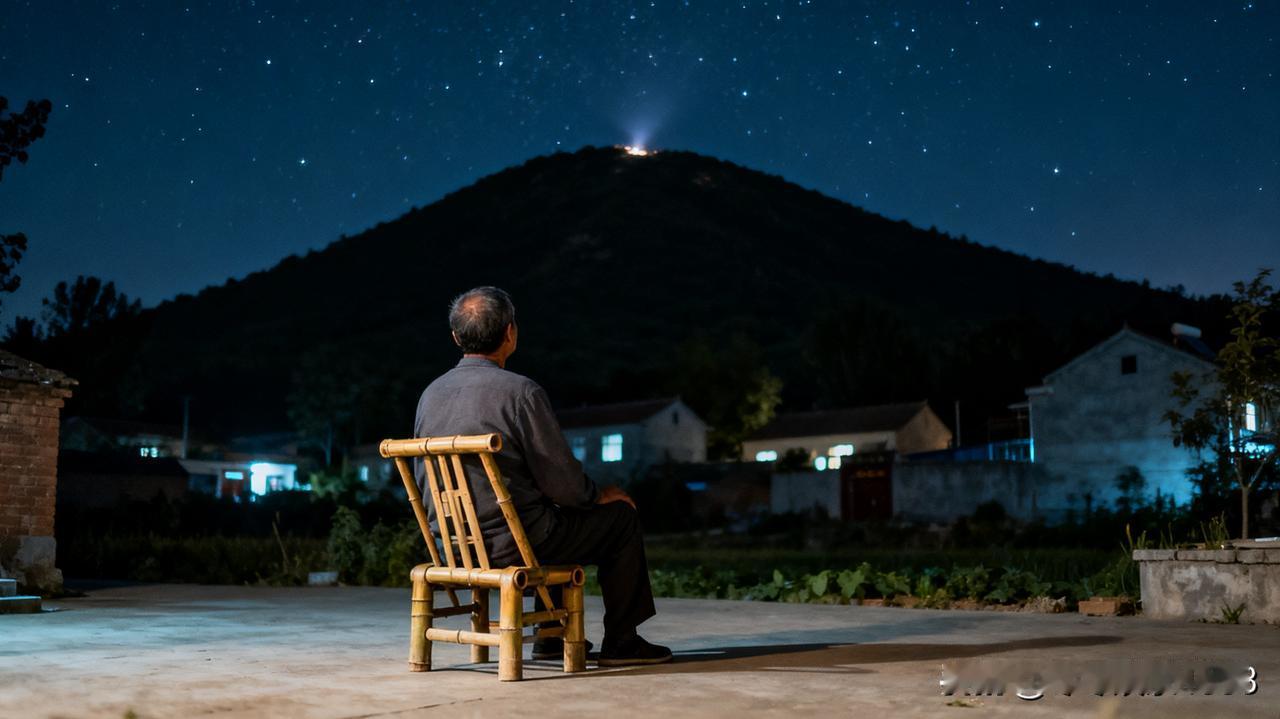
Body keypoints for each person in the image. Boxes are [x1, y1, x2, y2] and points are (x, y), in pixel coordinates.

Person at [414, 286, 672, 666]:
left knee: (536, 512)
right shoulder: (520, 393)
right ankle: (622, 641)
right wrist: (599, 495)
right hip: (513, 545)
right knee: (619, 520)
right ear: (510, 333)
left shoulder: (430, 395)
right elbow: (564, 485)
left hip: (451, 544)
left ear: (455, 337)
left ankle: (551, 637)